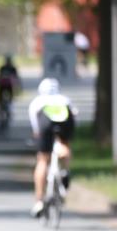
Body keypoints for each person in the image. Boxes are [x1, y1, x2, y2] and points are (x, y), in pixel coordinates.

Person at [28, 78, 77, 217]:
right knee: (65, 144)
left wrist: (38, 135)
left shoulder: (37, 101)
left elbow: (35, 126)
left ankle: (39, 200)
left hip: (45, 121)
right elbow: (74, 116)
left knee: (43, 159)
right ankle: (65, 171)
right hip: (65, 121)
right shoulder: (65, 99)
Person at [0, 55, 21, 131]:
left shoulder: (2, 67)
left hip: (2, 87)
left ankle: (0, 110)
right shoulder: (12, 68)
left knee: (0, 101)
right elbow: (16, 78)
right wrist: (18, 87)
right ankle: (8, 110)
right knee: (9, 100)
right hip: (8, 87)